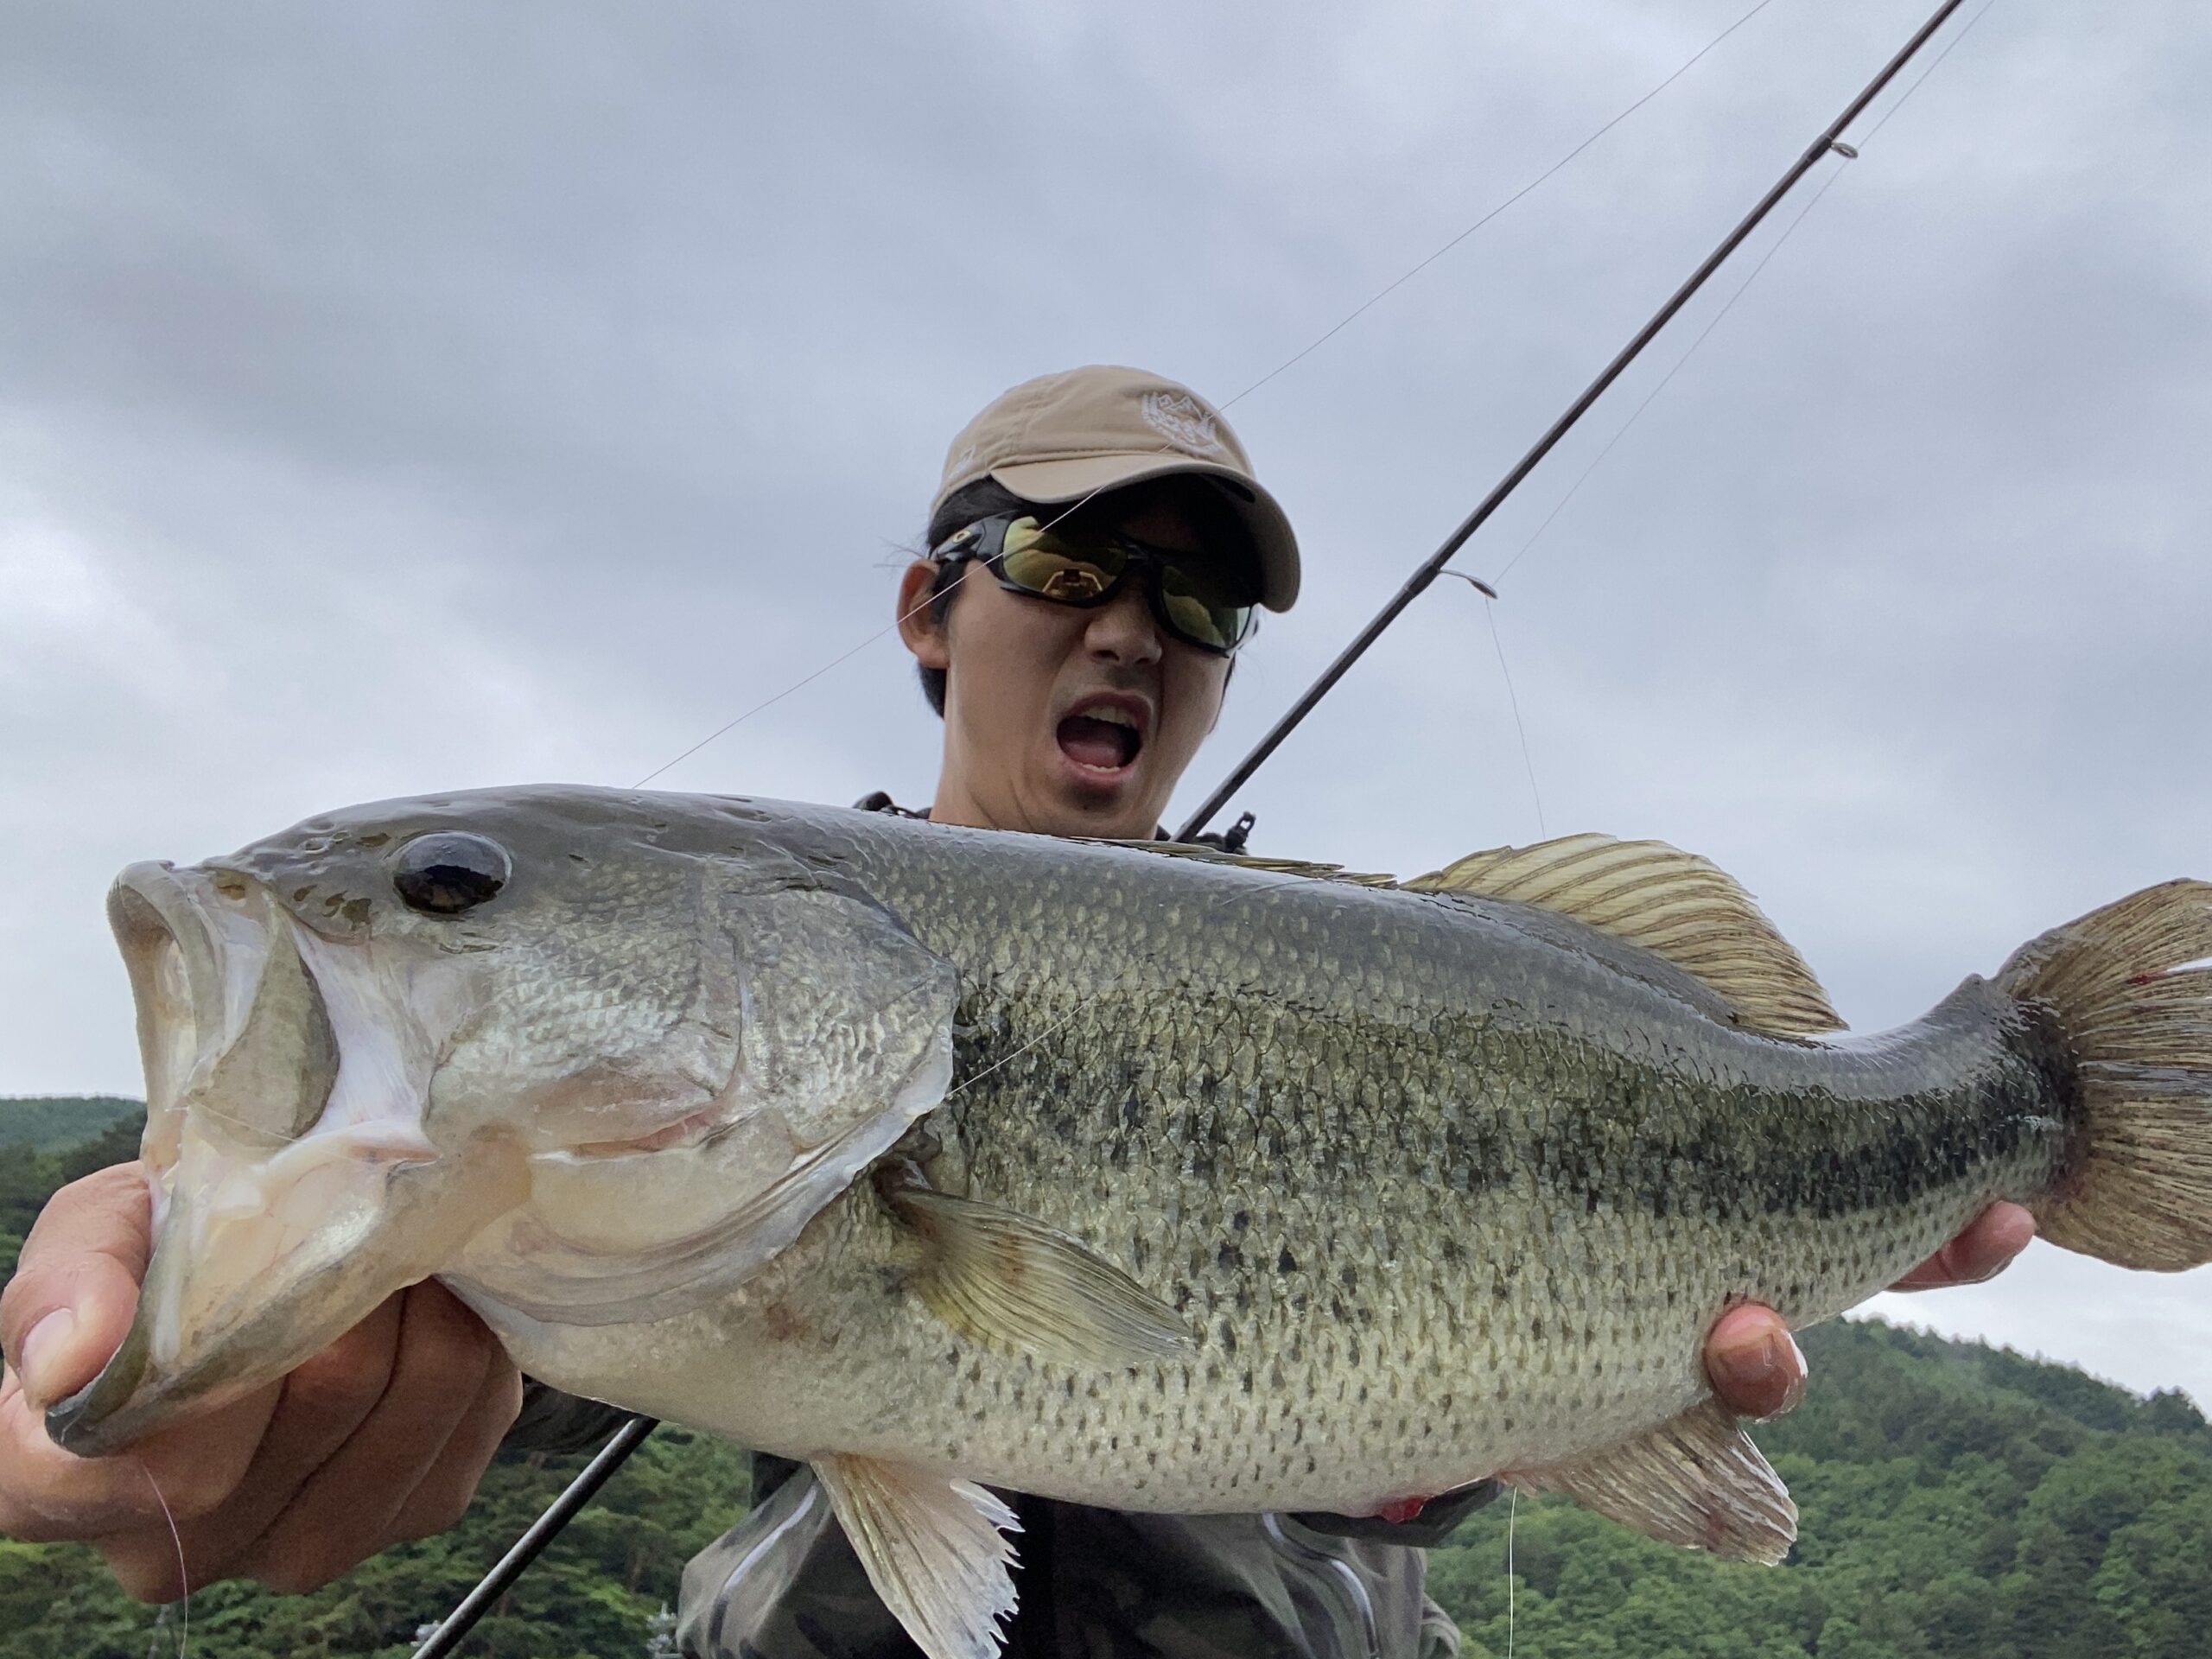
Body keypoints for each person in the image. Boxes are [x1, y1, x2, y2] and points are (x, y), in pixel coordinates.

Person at [0, 366, 2037, 1656]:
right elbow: (441, 1303)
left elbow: (1369, 1417)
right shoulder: (621, 1193)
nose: (1134, 632)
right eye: (1073, 559)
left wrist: (1488, 1443)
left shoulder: (1385, 980)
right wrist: (186, 1350)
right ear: (927, 608)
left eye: (1201, 604)